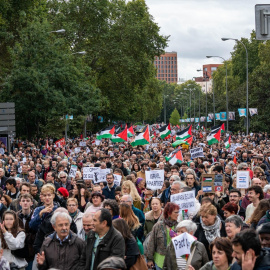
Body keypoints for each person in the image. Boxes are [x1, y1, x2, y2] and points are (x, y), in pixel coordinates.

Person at [147, 202, 180, 270]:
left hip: (174, 261)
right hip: (160, 260)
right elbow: (151, 243)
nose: (178, 214)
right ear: (169, 213)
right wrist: (149, 259)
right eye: (176, 212)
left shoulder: (179, 226)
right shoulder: (158, 226)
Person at [17, 194, 36, 270]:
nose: (25, 203)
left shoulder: (36, 216)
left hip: (32, 253)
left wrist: (23, 236)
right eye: (23, 201)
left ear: (32, 203)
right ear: (20, 203)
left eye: (28, 201)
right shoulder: (15, 216)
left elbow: (37, 235)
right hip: (18, 253)